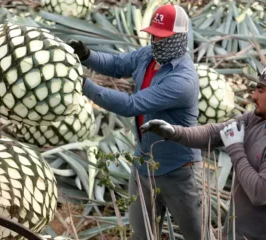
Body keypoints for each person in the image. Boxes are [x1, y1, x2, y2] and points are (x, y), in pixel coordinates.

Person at [68, 3, 205, 240]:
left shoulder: (182, 81)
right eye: (153, 35)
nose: (156, 41)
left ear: (180, 38)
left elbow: (131, 105)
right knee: (142, 236)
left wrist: (83, 86)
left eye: (163, 37)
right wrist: (88, 56)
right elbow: (118, 65)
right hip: (143, 166)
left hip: (178, 174)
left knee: (197, 236)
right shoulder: (148, 55)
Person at [140, 67, 266, 240]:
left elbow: (259, 193)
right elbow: (215, 133)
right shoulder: (255, 119)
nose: (253, 96)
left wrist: (235, 148)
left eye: (260, 91)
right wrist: (175, 133)